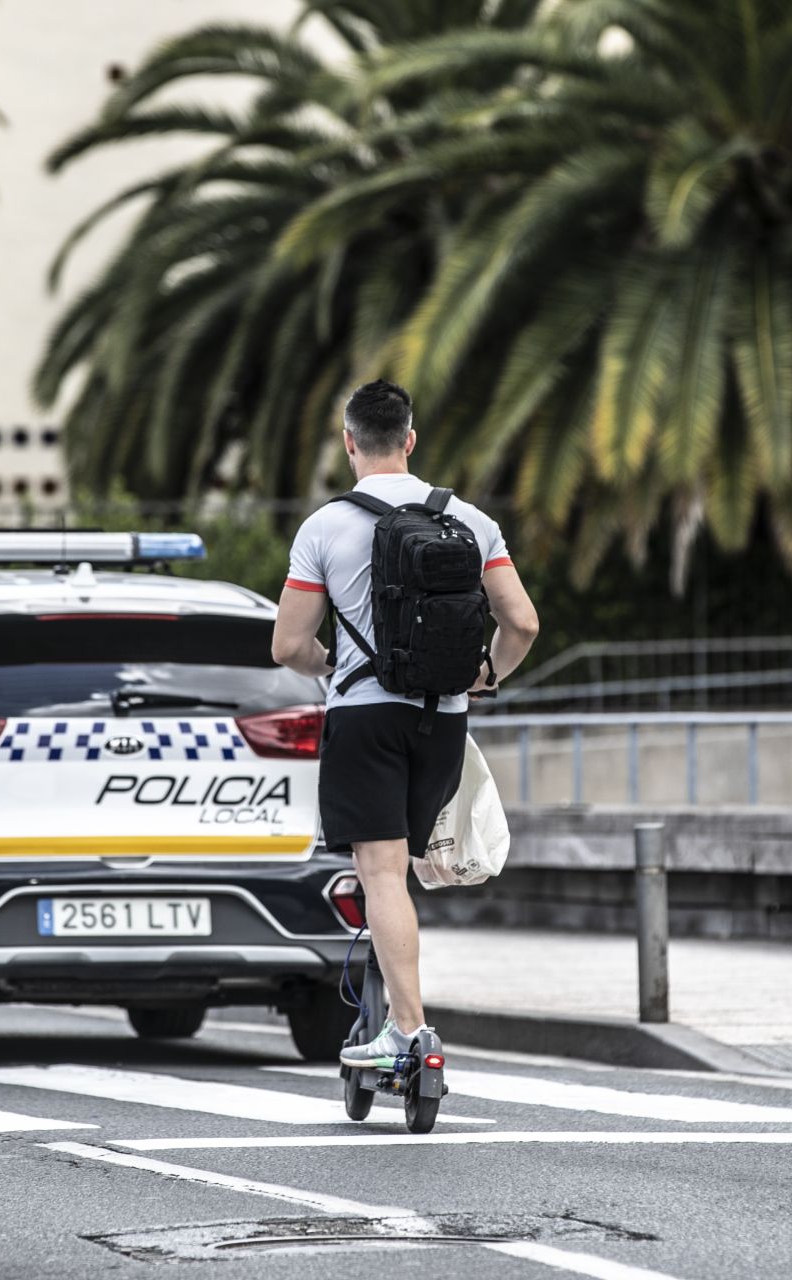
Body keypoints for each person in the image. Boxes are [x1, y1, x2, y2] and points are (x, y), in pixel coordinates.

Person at [271, 379, 540, 1067]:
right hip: (443, 719)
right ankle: (401, 1015)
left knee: (381, 873)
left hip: (364, 717)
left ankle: (408, 1031)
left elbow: (287, 647)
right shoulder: (472, 522)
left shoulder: (325, 527)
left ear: (349, 442)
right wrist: (488, 675)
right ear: (412, 441)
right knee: (408, 869)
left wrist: (332, 664)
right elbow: (524, 622)